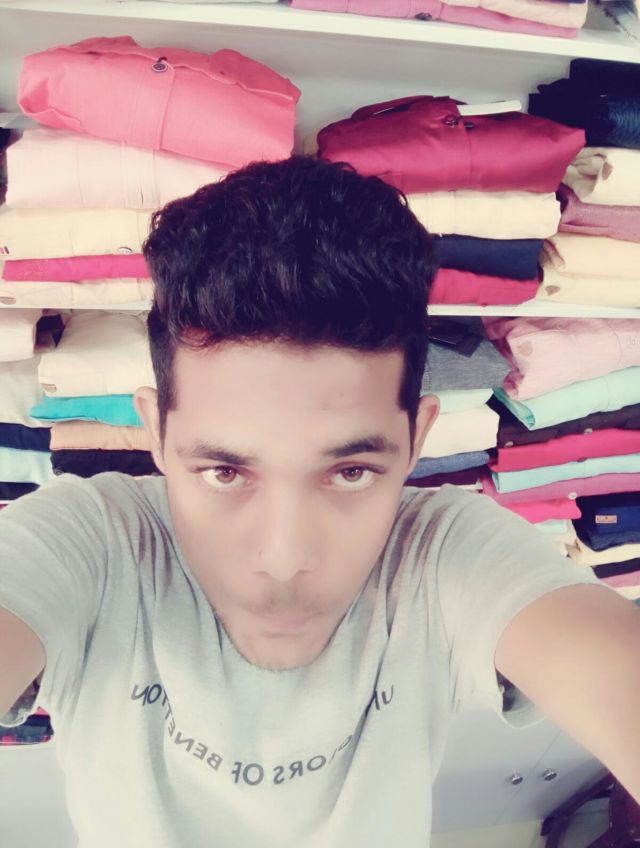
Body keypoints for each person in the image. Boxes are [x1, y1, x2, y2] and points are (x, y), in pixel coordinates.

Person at [0, 156, 638, 847]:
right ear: (155, 433)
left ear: (417, 440)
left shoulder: (441, 555)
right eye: (224, 472)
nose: (284, 559)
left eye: (351, 473)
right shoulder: (90, 543)